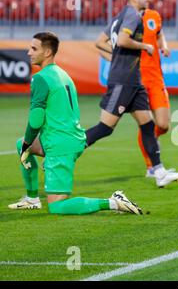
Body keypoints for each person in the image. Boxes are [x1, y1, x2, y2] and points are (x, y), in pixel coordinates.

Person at [8, 32, 142, 215]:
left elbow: (36, 118)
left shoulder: (40, 78)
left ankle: (113, 202)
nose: (29, 52)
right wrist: (26, 145)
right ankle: (31, 199)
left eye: (34, 48)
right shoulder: (62, 74)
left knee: (57, 206)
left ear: (47, 52)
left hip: (60, 144)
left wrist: (27, 144)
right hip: (70, 138)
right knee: (21, 144)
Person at [88, 0, 178, 187]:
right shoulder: (132, 15)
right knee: (105, 128)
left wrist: (115, 56)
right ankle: (66, 151)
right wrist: (145, 46)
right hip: (124, 81)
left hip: (134, 81)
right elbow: (123, 41)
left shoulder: (121, 16)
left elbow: (100, 42)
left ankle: (158, 172)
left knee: (148, 125)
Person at [138, 4, 178, 177]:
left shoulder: (153, 16)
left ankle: (151, 140)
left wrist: (163, 45)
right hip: (138, 80)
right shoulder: (127, 18)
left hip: (156, 77)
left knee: (163, 125)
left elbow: (159, 34)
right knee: (147, 126)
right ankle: (151, 167)